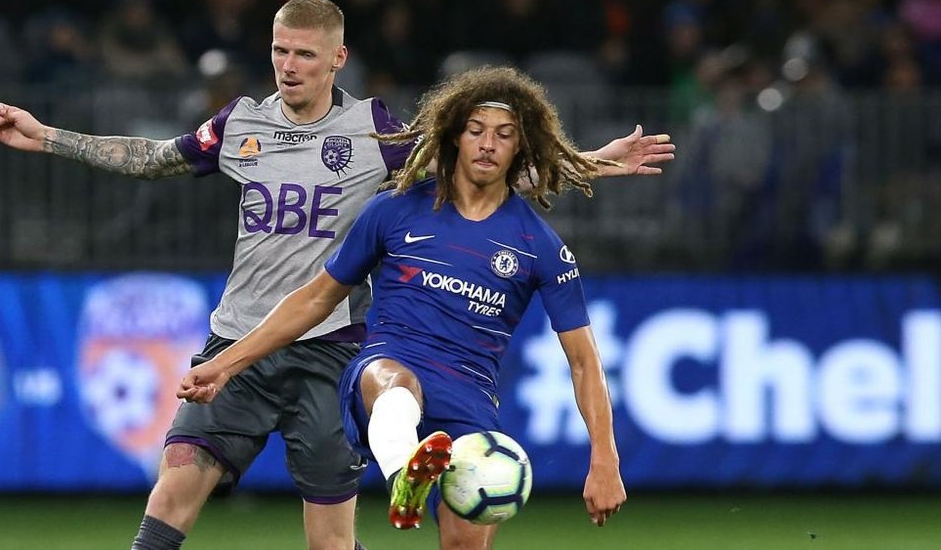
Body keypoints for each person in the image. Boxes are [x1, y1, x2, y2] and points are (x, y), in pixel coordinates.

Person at [0, 0, 670, 549]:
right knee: (175, 484)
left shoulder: (376, 132)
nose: (288, 65)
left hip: (332, 348)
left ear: (337, 58)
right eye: (279, 50)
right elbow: (157, 155)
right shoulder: (241, 123)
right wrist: (47, 137)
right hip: (240, 339)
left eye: (304, 54)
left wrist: (595, 161)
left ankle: (405, 471)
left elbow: (479, 165)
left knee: (330, 539)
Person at [177, 65, 628, 549]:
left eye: (504, 135)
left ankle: (417, 472)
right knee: (396, 384)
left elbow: (584, 361)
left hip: (469, 398)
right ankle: (404, 480)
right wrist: (224, 363)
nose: (487, 144)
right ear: (454, 135)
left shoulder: (540, 246)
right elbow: (313, 299)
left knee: (464, 543)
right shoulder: (392, 211)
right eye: (475, 131)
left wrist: (605, 459)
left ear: (522, 146)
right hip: (386, 365)